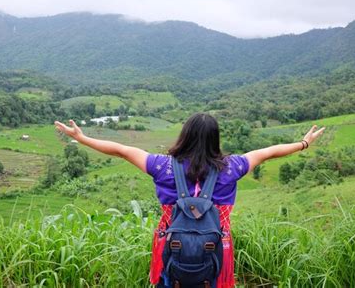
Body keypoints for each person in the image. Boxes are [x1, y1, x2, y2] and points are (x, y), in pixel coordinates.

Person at [54, 113, 325, 288]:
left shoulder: (162, 166)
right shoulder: (232, 167)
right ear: (214, 140)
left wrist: (82, 138)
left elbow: (122, 150)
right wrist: (303, 143)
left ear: (184, 135)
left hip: (171, 243)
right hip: (218, 244)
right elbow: (267, 152)